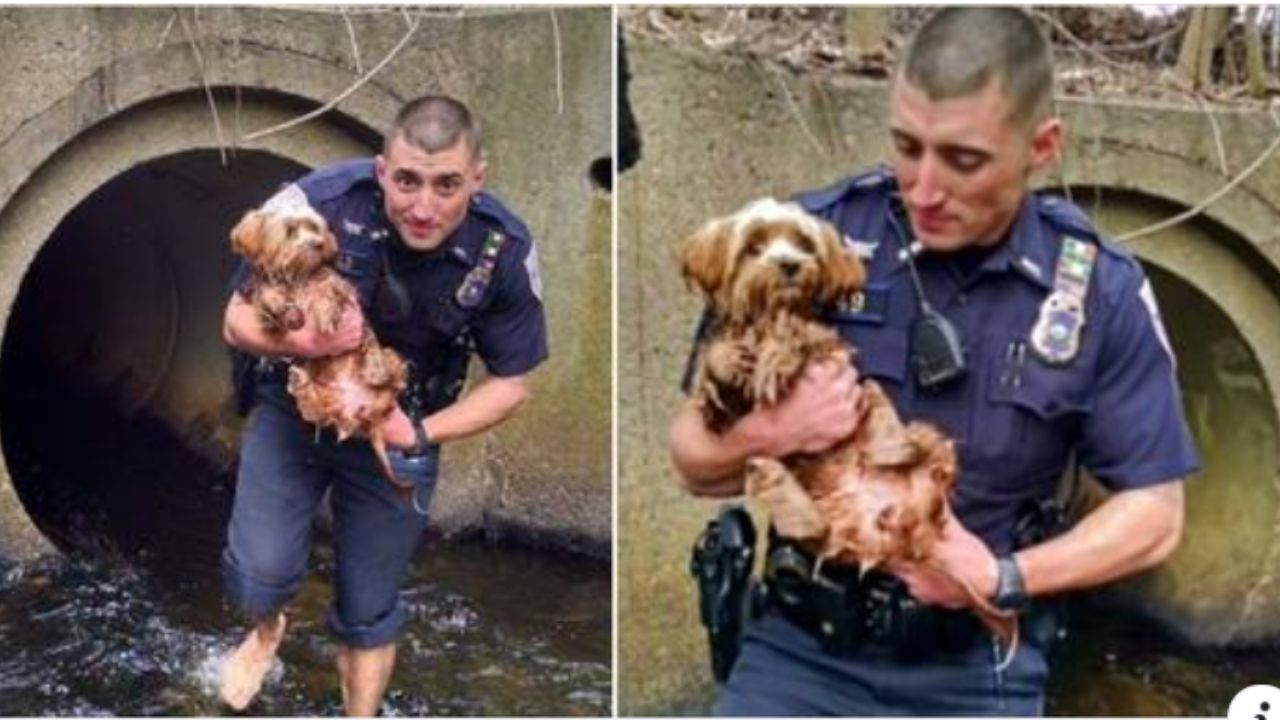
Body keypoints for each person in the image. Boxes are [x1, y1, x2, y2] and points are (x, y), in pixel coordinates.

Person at [669, 8, 1198, 716]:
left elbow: (1156, 515)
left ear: (1041, 147)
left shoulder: (1099, 289)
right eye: (906, 147)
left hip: (977, 667)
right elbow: (691, 459)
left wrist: (1001, 576)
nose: (923, 188)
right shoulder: (814, 239)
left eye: (963, 159)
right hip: (800, 652)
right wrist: (772, 433)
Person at [219, 95, 548, 715]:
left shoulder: (502, 248)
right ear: (380, 171)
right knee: (260, 574)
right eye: (407, 182)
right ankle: (267, 630)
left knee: (369, 607)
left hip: (401, 425)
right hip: (296, 408)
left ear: (477, 179)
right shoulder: (319, 201)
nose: (423, 207)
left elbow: (512, 385)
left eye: (447, 185)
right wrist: (307, 340)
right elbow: (235, 320)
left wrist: (415, 434)